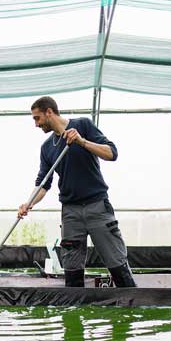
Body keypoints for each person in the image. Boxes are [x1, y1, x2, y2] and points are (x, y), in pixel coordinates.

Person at [18, 96, 136, 287]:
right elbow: (43, 183)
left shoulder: (83, 125)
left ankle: (132, 306)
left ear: (49, 112)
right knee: (71, 272)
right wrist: (29, 203)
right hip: (70, 213)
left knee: (117, 264)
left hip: (97, 207)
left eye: (37, 118)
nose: (36, 124)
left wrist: (81, 141)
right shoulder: (47, 147)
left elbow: (111, 153)